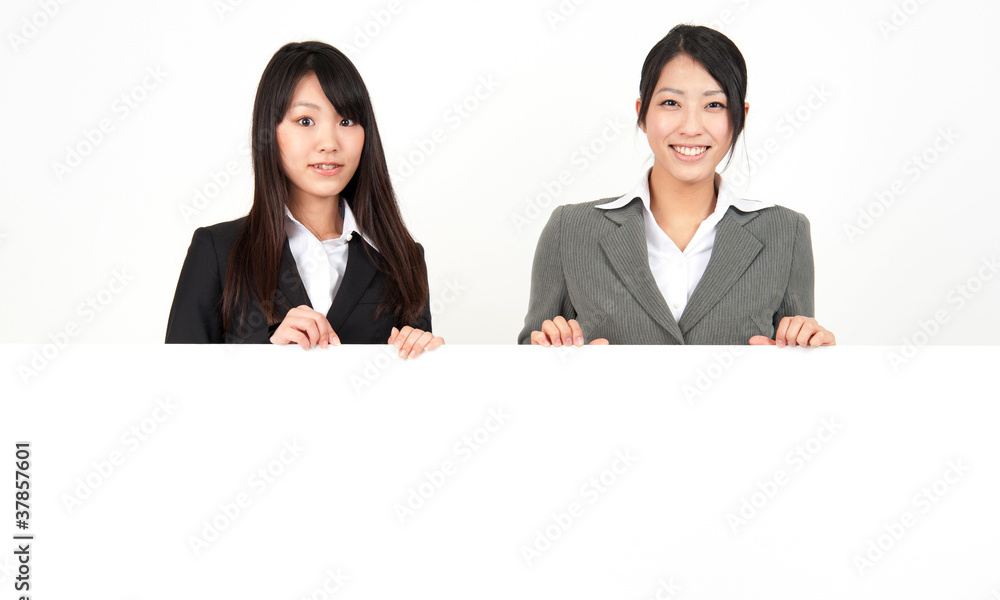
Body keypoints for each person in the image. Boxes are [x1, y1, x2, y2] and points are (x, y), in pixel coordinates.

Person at [519, 25, 835, 348]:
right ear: (641, 114)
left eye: (714, 105)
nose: (691, 127)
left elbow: (796, 373)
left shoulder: (786, 234)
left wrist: (812, 356)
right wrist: (552, 360)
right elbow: (528, 362)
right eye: (671, 103)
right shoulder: (569, 231)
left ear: (740, 118)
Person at [166, 41, 442, 358]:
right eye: (306, 121)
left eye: (347, 121)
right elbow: (178, 383)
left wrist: (428, 359)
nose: (329, 142)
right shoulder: (218, 252)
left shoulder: (403, 258)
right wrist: (266, 351)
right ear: (269, 131)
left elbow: (414, 396)